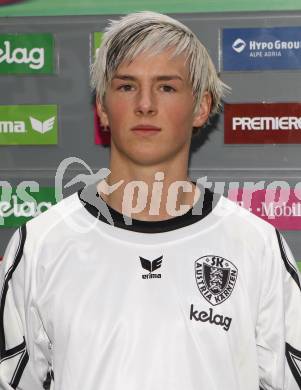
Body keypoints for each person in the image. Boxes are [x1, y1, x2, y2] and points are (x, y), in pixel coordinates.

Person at [0, 11, 301, 390]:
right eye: (126, 86)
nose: (145, 104)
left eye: (166, 87)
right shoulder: (41, 244)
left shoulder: (256, 245)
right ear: (102, 108)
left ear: (202, 107)